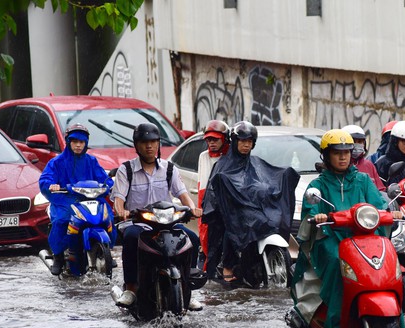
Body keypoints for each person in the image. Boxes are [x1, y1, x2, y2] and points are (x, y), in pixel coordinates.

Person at [291, 129, 402, 328]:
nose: (343, 157)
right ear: (326, 155)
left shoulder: (363, 180)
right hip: (331, 239)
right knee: (335, 261)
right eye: (336, 152)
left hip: (364, 239)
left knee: (389, 260)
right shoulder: (318, 185)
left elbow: (378, 205)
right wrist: (319, 217)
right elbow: (310, 212)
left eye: (347, 152)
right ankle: (335, 323)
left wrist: (389, 212)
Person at [111, 122, 203, 310]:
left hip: (167, 222)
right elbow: (118, 200)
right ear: (137, 145)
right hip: (139, 223)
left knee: (192, 238)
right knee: (130, 238)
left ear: (159, 144)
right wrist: (121, 210)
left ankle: (187, 290)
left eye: (153, 141)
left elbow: (184, 195)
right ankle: (131, 289)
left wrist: (192, 208)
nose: (149, 146)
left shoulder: (169, 169)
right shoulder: (126, 170)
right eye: (145, 142)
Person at [202, 120, 299, 284]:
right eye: (243, 141)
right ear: (235, 142)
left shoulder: (256, 163)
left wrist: (285, 175)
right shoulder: (223, 165)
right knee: (231, 226)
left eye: (249, 142)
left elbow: (269, 177)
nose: (246, 145)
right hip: (233, 212)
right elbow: (215, 190)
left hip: (253, 210)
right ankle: (228, 266)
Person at [38, 123, 114, 275]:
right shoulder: (56, 162)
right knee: (61, 221)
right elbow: (45, 179)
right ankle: (59, 256)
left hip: (90, 198)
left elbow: (104, 178)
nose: (78, 145)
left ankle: (106, 249)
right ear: (68, 142)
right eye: (75, 142)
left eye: (82, 142)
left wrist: (108, 184)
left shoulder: (91, 161)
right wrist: (51, 185)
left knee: (108, 216)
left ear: (86, 143)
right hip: (66, 199)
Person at [196, 120, 230, 269]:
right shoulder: (203, 157)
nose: (212, 143)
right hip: (208, 202)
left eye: (215, 139)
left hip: (228, 202)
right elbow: (201, 184)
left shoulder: (231, 156)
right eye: (209, 140)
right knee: (206, 237)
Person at [341, 124, 386, 191]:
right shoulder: (340, 164)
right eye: (353, 141)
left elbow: (380, 191)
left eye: (360, 142)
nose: (357, 145)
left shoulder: (368, 165)